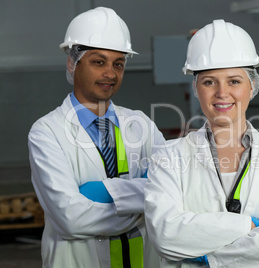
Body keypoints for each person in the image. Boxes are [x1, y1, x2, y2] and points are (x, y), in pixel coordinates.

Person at [144, 19, 259, 268]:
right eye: (209, 81)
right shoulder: (167, 159)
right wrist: (248, 226)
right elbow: (165, 236)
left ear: (252, 86)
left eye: (234, 81)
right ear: (196, 87)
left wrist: (209, 257)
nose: (222, 93)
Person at [28, 7, 165, 268]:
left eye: (118, 64)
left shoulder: (141, 125)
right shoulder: (47, 132)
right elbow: (71, 220)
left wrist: (107, 195)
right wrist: (145, 208)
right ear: (72, 63)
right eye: (98, 62)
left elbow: (173, 191)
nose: (110, 74)